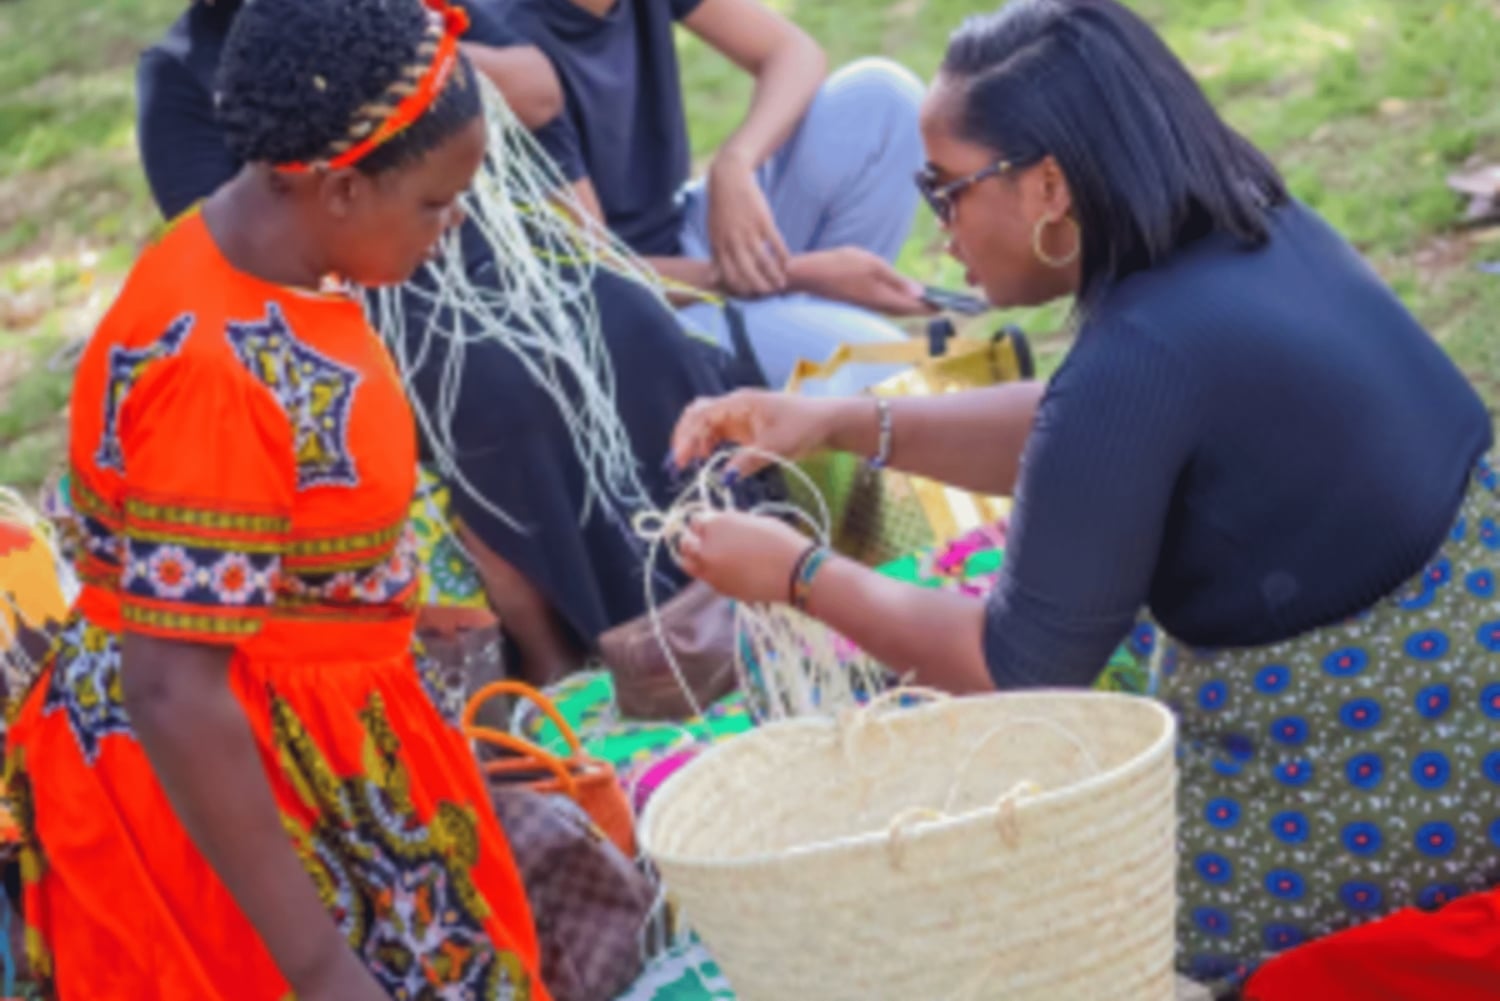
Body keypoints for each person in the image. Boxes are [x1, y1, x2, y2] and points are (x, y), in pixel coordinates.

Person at [668, 0, 1499, 989]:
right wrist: (842, 420)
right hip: (1465, 665)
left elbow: (1012, 665)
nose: (939, 238)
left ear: (1049, 186)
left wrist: (799, 573)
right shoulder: (1260, 234)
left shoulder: (1141, 354)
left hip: (1404, 753)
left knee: (1071, 929)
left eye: (945, 193)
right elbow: (1086, 430)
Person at [3, 0, 551, 996]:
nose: (454, 221)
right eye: (434, 202)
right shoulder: (212, 372)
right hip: (230, 794)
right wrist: (316, 961)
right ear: (339, 186)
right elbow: (173, 685)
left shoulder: (272, 264)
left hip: (307, 740)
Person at [136, 0, 741, 685]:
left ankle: (723, 582)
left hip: (493, 249)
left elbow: (539, 91)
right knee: (492, 381)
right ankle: (585, 651)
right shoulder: (182, 75)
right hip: (363, 299)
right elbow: (253, 255)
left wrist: (400, 62)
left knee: (631, 319)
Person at [492, 0, 937, 389]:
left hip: (683, 238)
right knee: (877, 361)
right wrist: (799, 275)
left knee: (884, 99)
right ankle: (812, 367)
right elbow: (596, 277)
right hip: (630, 318)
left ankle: (803, 383)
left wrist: (735, 163)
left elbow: (793, 52)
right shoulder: (517, 51)